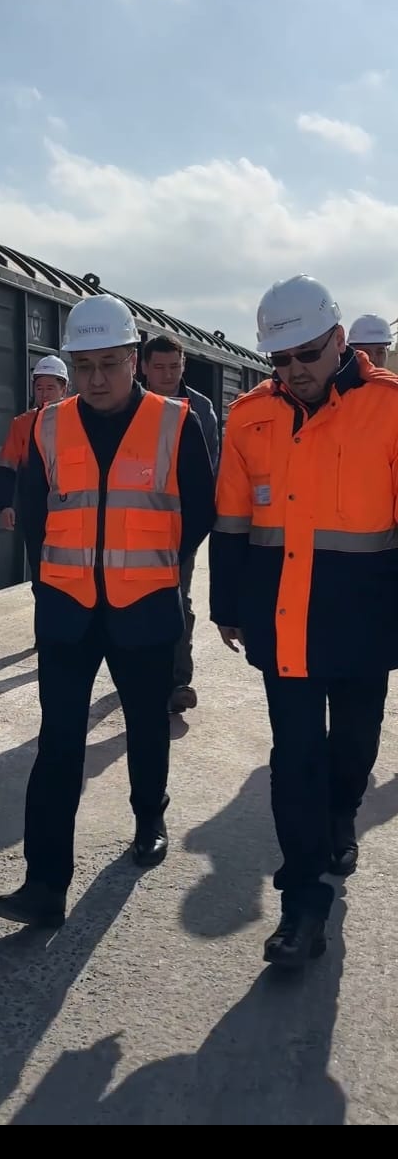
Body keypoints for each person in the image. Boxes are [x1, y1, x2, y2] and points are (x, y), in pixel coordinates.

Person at [0, 295, 216, 928]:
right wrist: (51, 583)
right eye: (84, 366)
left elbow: (199, 512)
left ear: (133, 360)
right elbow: (34, 512)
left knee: (145, 725)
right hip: (67, 611)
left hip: (143, 607)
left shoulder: (175, 423)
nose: (95, 380)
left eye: (109, 365)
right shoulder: (49, 425)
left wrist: (152, 563)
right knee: (58, 741)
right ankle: (44, 884)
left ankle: (148, 817)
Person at [210, 275, 398, 968]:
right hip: (282, 616)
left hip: (365, 617)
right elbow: (232, 517)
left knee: (352, 744)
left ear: (340, 341)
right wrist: (227, 604)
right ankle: (302, 904)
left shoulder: (390, 409)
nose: (293, 371)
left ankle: (342, 812)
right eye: (280, 360)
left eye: (307, 355)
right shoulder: (250, 416)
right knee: (294, 758)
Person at [142, 331, 220, 714]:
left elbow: (209, 472)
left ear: (184, 365)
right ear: (144, 368)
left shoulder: (201, 409)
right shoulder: (130, 406)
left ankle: (177, 682)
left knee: (178, 599)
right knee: (138, 602)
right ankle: (142, 673)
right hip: (137, 521)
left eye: (174, 367)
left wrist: (194, 525)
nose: (168, 375)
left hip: (180, 524)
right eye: (159, 367)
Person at [0, 356, 69, 644]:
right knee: (40, 575)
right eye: (39, 387)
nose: (44, 393)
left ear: (64, 389)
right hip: (35, 510)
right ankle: (45, 636)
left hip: (72, 511)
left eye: (51, 387)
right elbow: (6, 467)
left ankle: (68, 632)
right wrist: (5, 504)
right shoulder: (22, 424)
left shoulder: (78, 422)